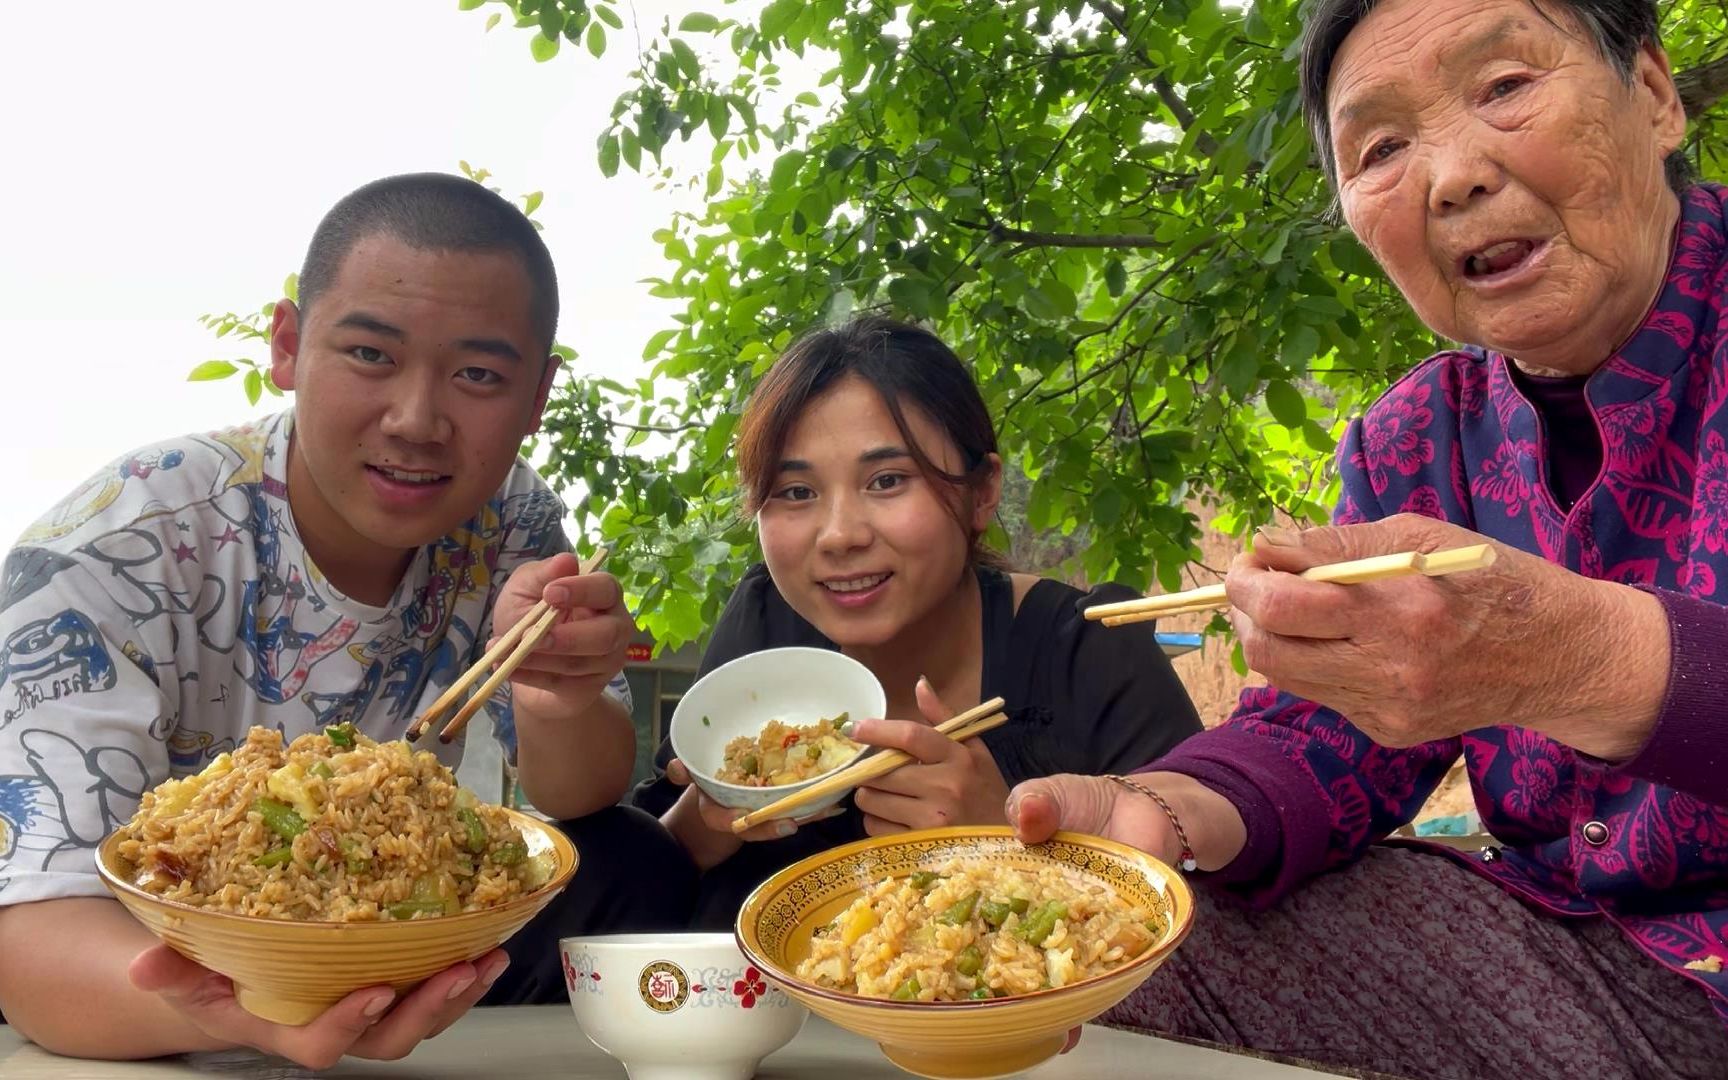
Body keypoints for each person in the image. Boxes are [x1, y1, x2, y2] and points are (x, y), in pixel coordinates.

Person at [1006, 2, 1728, 1077]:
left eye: (1504, 87)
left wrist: (1575, 655)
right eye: (1382, 148)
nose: (1451, 176)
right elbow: (1327, 731)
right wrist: (1162, 808)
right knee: (1110, 943)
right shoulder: (1411, 438)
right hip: (1585, 972)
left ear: (1658, 96)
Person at [0, 173, 692, 1068]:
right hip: (150, 971)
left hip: (397, 938)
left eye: (479, 375)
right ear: (287, 346)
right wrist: (258, 1010)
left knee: (634, 862)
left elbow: (575, 796)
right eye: (370, 354)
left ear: (536, 400)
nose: (415, 421)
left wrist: (559, 693)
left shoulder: (512, 522)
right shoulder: (112, 553)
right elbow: (32, 931)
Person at [631, 316, 1203, 928]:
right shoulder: (764, 622)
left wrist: (1004, 835)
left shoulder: (1090, 647)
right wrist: (710, 820)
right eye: (796, 492)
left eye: (888, 480)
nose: (840, 535)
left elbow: (1198, 914)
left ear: (981, 493)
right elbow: (652, 885)